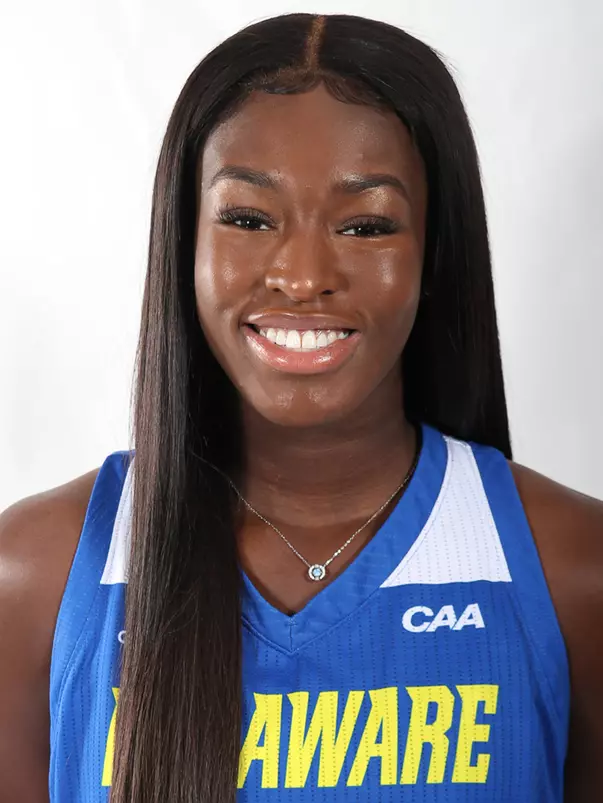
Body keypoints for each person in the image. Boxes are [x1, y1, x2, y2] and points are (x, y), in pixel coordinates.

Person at [1, 10, 602, 802]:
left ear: (433, 253)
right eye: (247, 218)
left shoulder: (572, 574)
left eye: (365, 225)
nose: (302, 274)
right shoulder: (36, 578)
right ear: (183, 241)